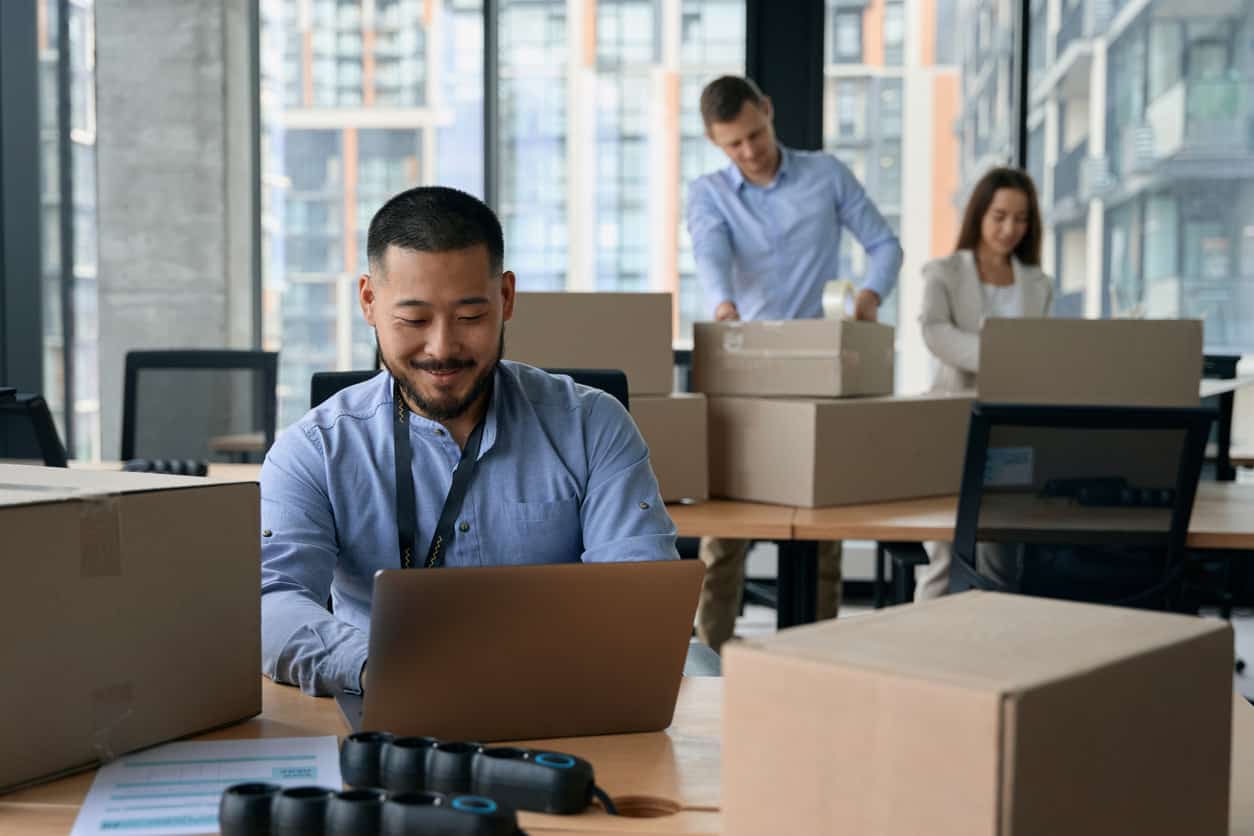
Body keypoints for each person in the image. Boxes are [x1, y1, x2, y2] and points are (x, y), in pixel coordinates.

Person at [260, 186, 678, 696]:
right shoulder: (315, 450)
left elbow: (642, 595)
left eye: (470, 318)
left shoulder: (592, 425)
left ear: (505, 298)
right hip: (388, 707)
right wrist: (381, 666)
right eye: (413, 319)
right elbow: (271, 601)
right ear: (369, 301)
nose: (442, 348)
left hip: (560, 700)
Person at [686, 75, 903, 651]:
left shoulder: (827, 175)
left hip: (821, 372)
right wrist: (722, 304)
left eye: (756, 134)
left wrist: (869, 297)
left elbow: (885, 245)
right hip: (748, 372)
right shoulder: (709, 193)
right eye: (734, 144)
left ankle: (816, 657)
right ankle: (708, 664)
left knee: (821, 528)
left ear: (770, 110)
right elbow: (710, 252)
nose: (750, 151)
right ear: (716, 143)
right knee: (725, 534)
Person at [914, 166, 1053, 600]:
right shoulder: (943, 272)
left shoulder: (1039, 284)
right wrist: (1000, 356)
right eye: (999, 216)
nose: (1010, 228)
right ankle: (919, 659)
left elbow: (1045, 349)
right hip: (952, 425)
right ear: (978, 214)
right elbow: (934, 331)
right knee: (945, 556)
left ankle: (992, 658)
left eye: (1021, 218)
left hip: (1012, 431)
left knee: (1002, 558)